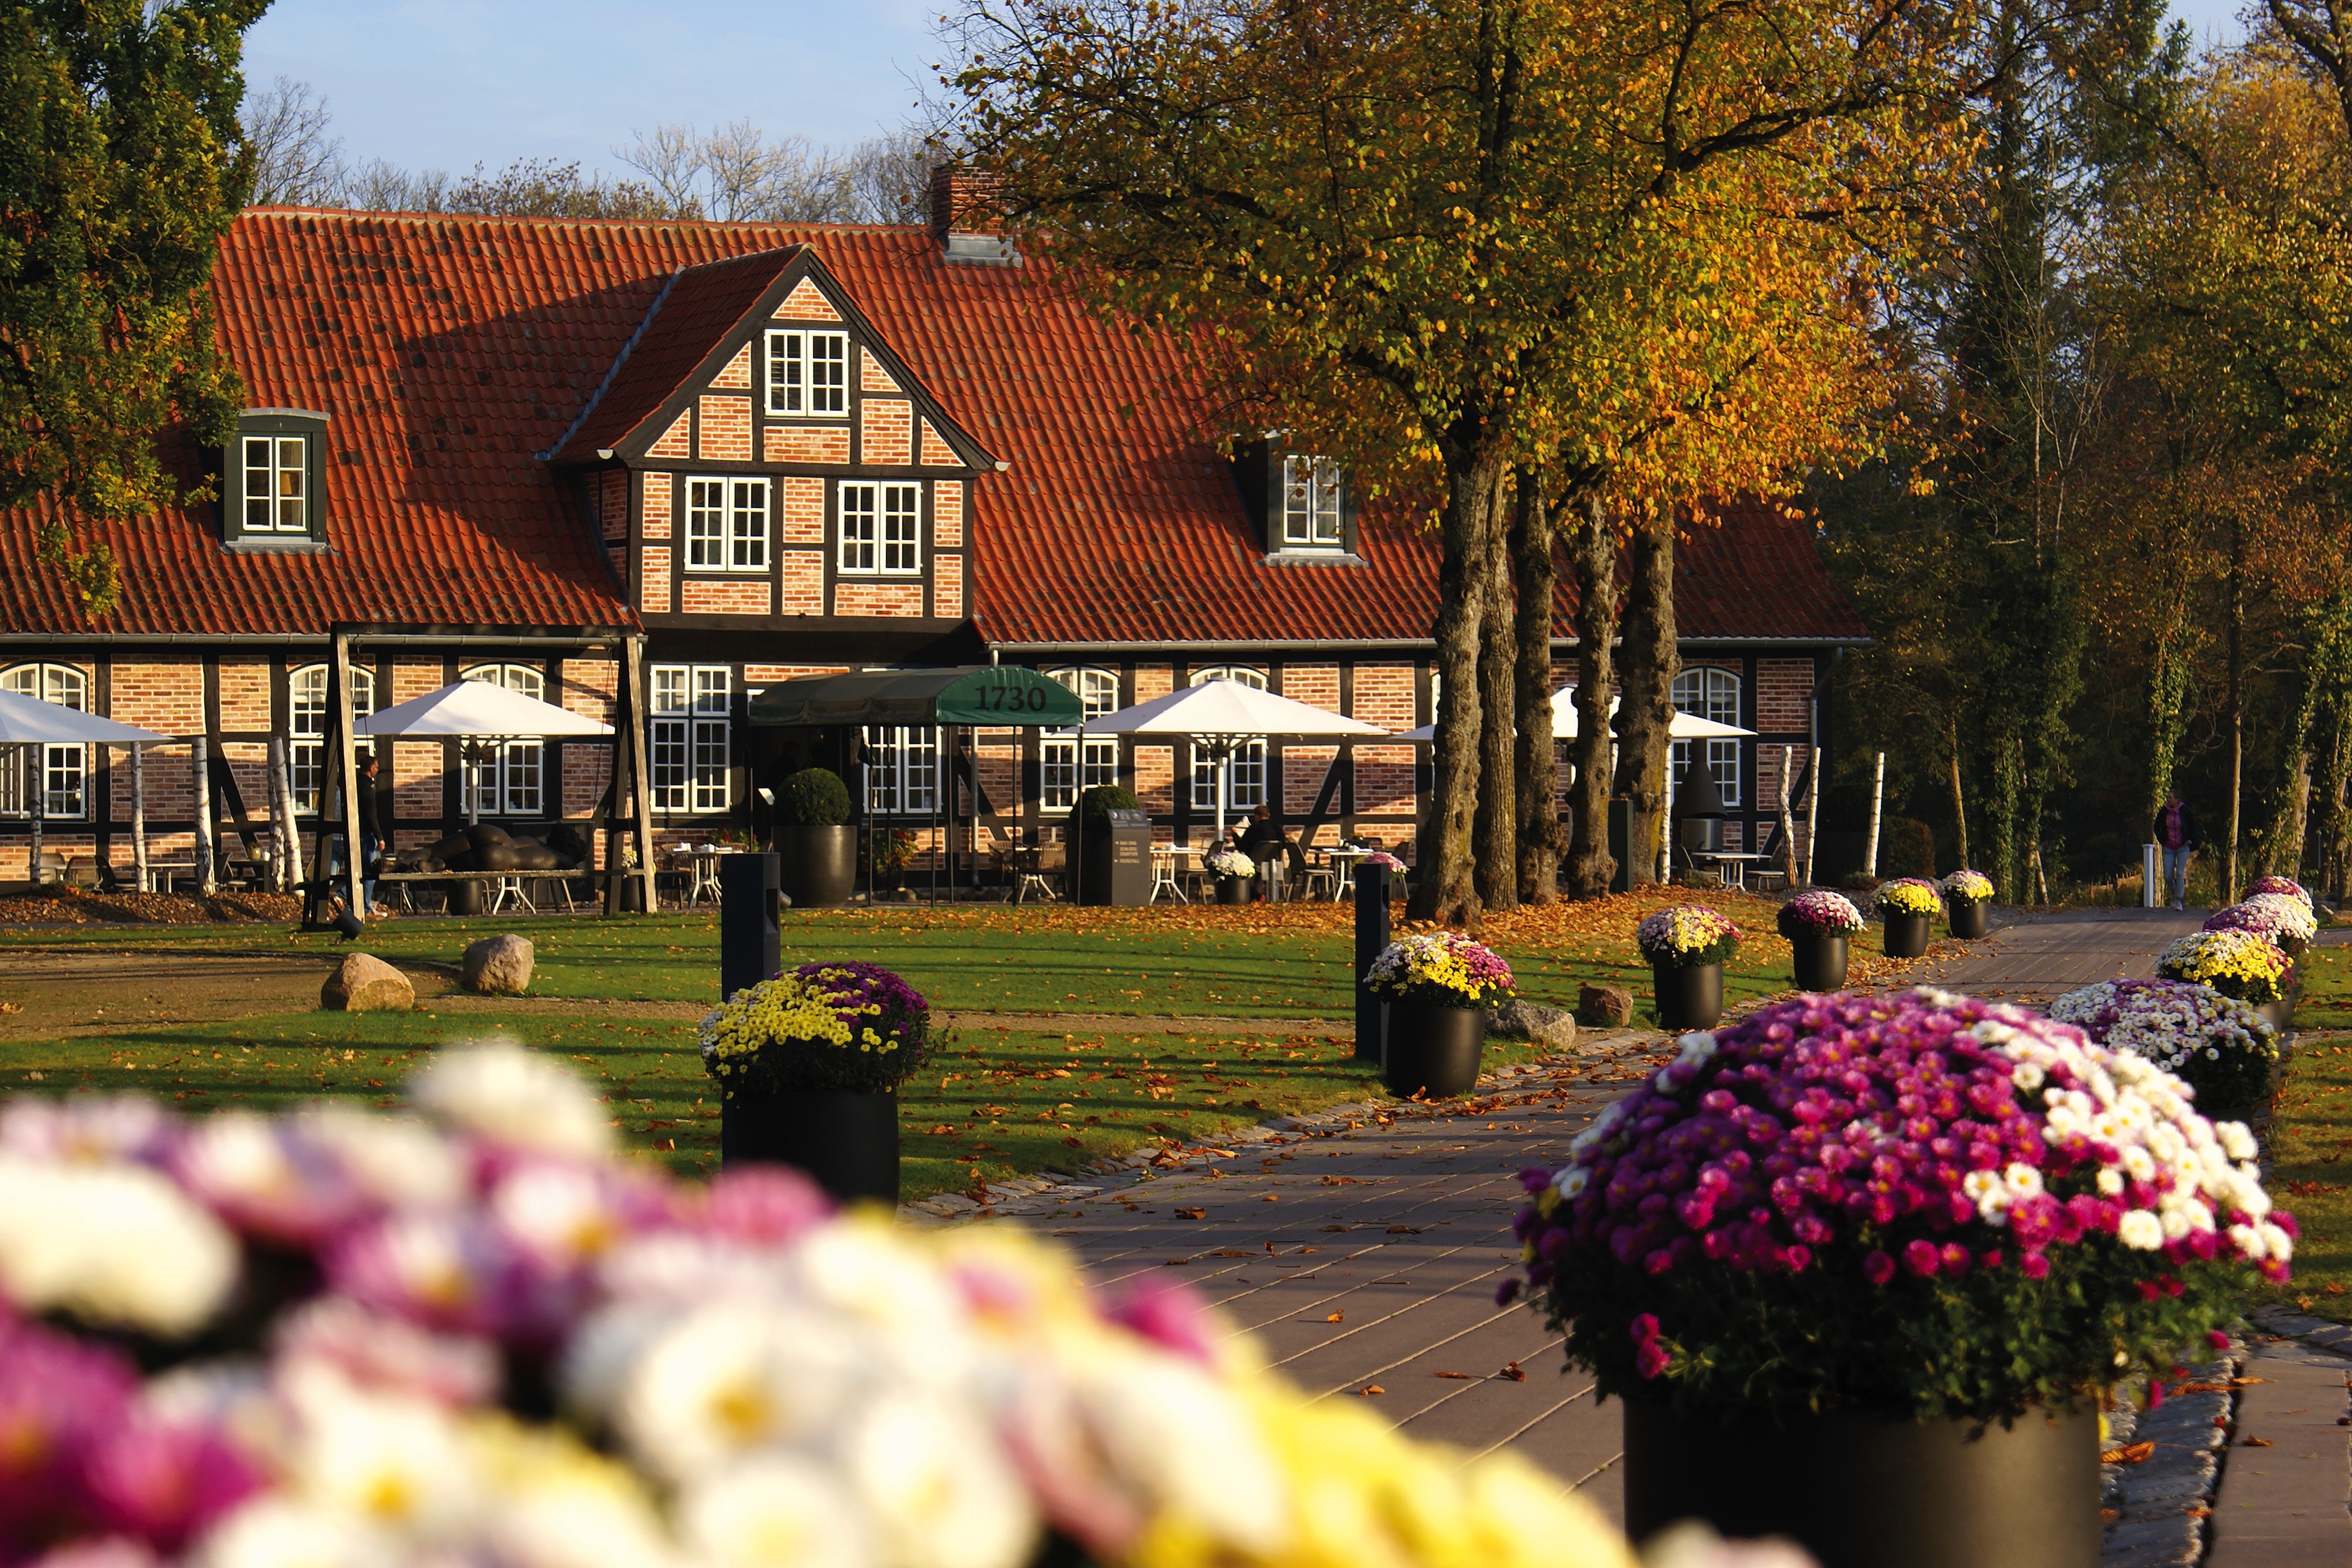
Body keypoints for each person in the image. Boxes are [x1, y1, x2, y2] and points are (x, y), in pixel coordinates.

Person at [2151, 789, 2197, 910]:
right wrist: (2163, 840)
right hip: (2169, 847)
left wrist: (2189, 840)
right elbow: (2157, 827)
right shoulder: (2164, 812)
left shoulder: (2185, 811)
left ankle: (2179, 900)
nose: (2168, 800)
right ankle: (2175, 891)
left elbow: (2193, 826)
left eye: (2170, 798)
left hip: (2183, 846)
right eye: (2167, 798)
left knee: (2180, 873)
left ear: (2177, 799)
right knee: (2167, 875)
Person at [1237, 804, 1292, 901]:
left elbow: (1241, 847)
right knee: (1260, 870)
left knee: (1242, 870)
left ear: (1256, 816)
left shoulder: (1253, 829)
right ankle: (1260, 895)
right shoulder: (1278, 828)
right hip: (1274, 862)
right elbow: (1283, 845)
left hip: (1255, 863)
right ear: (1268, 815)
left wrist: (1235, 835)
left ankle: (1256, 895)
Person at [356, 751, 383, 917]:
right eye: (377, 767)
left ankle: (361, 903)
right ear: (371, 768)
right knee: (371, 871)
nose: (378, 770)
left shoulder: (356, 783)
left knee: (363, 871)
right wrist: (379, 836)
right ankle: (363, 905)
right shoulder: (366, 787)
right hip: (367, 834)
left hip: (359, 832)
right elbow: (370, 814)